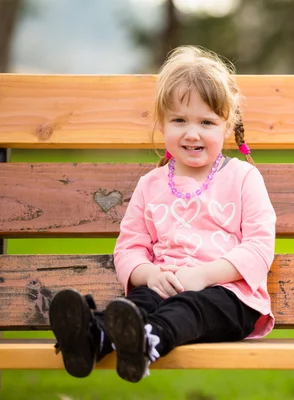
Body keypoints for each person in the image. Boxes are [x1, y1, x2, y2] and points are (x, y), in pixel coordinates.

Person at [48, 45, 277, 383]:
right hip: (164, 284)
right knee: (139, 302)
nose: (192, 133)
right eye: (179, 120)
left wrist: (203, 276)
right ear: (163, 123)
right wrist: (147, 275)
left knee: (189, 308)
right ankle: (91, 338)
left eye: (207, 122)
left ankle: (147, 342)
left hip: (230, 297)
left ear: (228, 127)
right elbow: (129, 248)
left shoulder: (243, 178)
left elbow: (259, 248)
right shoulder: (150, 184)